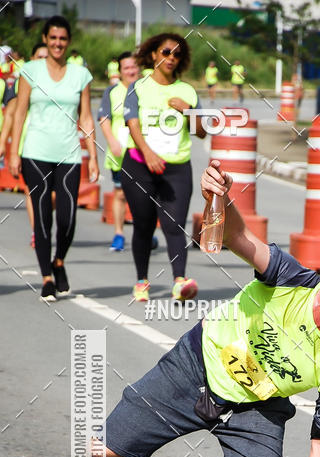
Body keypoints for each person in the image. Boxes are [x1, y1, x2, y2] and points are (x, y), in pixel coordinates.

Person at [33, 160, 320, 457]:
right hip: (197, 366)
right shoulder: (294, 279)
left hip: (258, 404)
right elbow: (239, 238)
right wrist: (223, 198)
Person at [8, 16, 98, 302]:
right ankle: (47, 276)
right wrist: (13, 151)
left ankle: (59, 260)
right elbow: (20, 112)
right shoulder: (30, 70)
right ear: (45, 39)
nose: (57, 43)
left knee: (68, 218)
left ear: (68, 42)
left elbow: (85, 116)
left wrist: (93, 155)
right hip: (35, 152)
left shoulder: (80, 74)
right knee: (43, 213)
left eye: (62, 39)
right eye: (53, 38)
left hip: (69, 152)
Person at [120, 33, 206, 303]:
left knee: (175, 225)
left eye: (177, 54)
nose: (171, 58)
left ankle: (180, 282)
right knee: (144, 225)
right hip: (139, 165)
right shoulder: (138, 87)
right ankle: (142, 281)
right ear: (154, 54)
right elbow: (132, 123)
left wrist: (189, 111)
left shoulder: (187, 91)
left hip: (176, 168)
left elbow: (202, 132)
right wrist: (148, 154)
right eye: (166, 52)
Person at [0, 43, 49, 249]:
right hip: (28, 144)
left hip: (56, 145)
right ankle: (37, 231)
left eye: (46, 57)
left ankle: (45, 218)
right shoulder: (24, 81)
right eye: (39, 56)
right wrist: (5, 143)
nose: (43, 61)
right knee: (32, 191)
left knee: (52, 195)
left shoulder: (63, 81)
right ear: (31, 58)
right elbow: (11, 113)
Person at [97, 51, 140, 252]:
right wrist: (112, 142)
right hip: (119, 152)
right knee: (120, 193)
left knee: (143, 197)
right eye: (126, 68)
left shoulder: (145, 90)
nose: (130, 71)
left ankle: (143, 233)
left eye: (133, 67)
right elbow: (104, 118)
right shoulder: (112, 92)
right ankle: (119, 234)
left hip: (143, 153)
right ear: (120, 71)